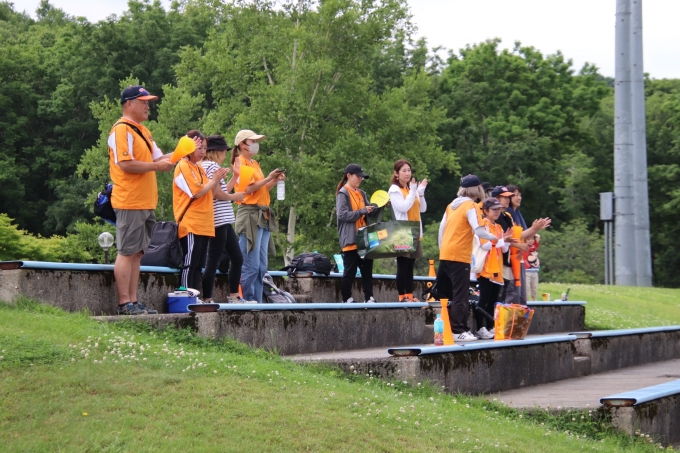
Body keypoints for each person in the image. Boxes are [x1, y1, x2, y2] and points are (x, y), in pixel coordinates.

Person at [108, 85, 175, 315]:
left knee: (137, 253)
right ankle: (124, 303)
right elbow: (125, 164)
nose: (148, 106)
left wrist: (183, 152)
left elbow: (160, 159)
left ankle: (134, 302)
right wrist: (158, 166)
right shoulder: (121, 129)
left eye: (149, 102)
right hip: (130, 200)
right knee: (127, 251)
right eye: (143, 101)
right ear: (129, 103)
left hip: (146, 201)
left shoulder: (143, 131)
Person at [438, 174, 512, 342]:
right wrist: (496, 238)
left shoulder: (451, 205)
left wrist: (442, 248)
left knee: (448, 293)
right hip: (460, 255)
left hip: (446, 253)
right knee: (461, 294)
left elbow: (442, 228)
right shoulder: (471, 206)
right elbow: (479, 231)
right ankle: (458, 330)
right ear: (477, 189)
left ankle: (456, 328)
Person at [173, 130, 229, 298]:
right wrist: (214, 180)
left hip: (204, 223)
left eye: (205, 148)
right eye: (199, 148)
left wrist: (217, 180)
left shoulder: (198, 168)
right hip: (191, 222)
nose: (203, 152)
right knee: (189, 263)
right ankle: (184, 297)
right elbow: (196, 192)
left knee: (198, 265)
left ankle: (194, 298)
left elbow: (211, 193)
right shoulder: (183, 166)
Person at [200, 135, 255, 304]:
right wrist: (234, 197)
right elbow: (217, 194)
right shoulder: (211, 166)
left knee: (236, 258)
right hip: (218, 219)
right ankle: (207, 298)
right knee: (213, 261)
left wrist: (235, 177)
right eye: (224, 151)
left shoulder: (208, 165)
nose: (225, 154)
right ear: (217, 151)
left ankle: (234, 296)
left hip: (223, 219)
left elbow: (221, 190)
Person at [232, 130, 285, 303]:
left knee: (262, 266)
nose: (256, 144)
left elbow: (261, 189)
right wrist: (268, 178)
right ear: (242, 144)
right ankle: (246, 300)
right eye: (252, 141)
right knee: (251, 265)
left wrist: (274, 180)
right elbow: (247, 189)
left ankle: (258, 302)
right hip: (250, 214)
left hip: (263, 214)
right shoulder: (239, 162)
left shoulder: (254, 163)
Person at [492, 184, 550, 304]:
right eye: (515, 195)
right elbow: (511, 238)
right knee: (511, 296)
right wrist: (533, 229)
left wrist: (536, 229)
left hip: (518, 259)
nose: (518, 197)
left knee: (520, 298)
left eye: (519, 195)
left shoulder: (514, 214)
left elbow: (525, 236)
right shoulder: (505, 214)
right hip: (508, 260)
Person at [388, 159, 427, 302]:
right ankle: (401, 296)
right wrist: (413, 191)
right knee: (403, 265)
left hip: (415, 231)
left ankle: (410, 295)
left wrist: (420, 193)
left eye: (409, 170)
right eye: (403, 171)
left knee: (411, 265)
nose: (407, 173)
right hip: (403, 232)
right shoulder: (394, 190)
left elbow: (422, 209)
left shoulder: (411, 189)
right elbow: (403, 207)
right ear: (396, 174)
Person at [336, 164, 376, 303]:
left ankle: (369, 297)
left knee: (367, 270)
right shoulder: (343, 193)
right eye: (358, 176)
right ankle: (346, 298)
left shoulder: (361, 193)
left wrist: (378, 206)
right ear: (348, 175)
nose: (360, 179)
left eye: (361, 177)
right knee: (350, 271)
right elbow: (343, 215)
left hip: (364, 239)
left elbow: (368, 211)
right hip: (351, 239)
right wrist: (362, 211)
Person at [474, 197, 510, 339]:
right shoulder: (483, 225)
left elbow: (504, 249)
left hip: (497, 268)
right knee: (483, 299)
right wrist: (502, 241)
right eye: (494, 209)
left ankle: (490, 326)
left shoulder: (499, 227)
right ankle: (479, 327)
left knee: (494, 300)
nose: (497, 212)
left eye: (498, 209)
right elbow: (485, 245)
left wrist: (507, 241)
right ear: (486, 211)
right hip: (486, 267)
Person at [524, 233, 540, 301]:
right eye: (528, 239)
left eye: (532, 239)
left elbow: (538, 236)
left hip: (534, 270)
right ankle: (526, 300)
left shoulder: (534, 246)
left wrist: (531, 233)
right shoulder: (524, 246)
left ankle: (534, 299)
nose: (530, 241)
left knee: (534, 286)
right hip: (526, 271)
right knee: (526, 286)